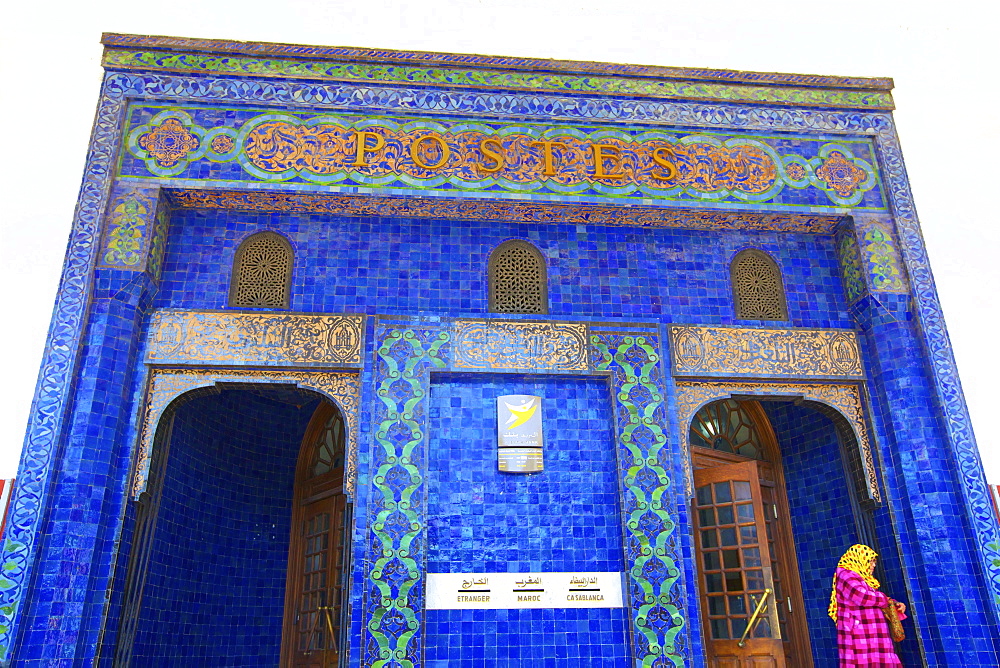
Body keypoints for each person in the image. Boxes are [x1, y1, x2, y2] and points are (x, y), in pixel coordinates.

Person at [829, 544, 906, 666]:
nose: (874, 565)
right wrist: (884, 599)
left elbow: (873, 598)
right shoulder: (846, 575)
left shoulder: (863, 578)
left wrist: (894, 604)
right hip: (859, 635)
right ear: (859, 558)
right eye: (871, 561)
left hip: (872, 635)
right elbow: (862, 596)